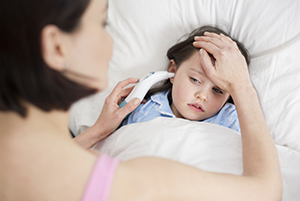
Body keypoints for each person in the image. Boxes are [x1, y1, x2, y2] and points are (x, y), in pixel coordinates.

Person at [0, 0, 282, 200]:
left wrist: (100, 129)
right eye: (103, 23)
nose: (111, 42)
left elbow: (52, 164)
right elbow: (266, 191)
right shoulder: (138, 181)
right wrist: (242, 85)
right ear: (56, 46)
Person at [120, 26, 250, 132]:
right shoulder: (144, 109)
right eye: (195, 80)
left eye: (217, 90)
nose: (202, 96)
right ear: (173, 70)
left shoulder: (232, 120)